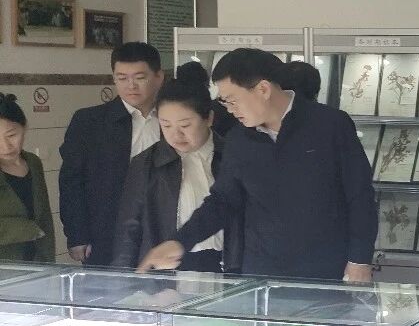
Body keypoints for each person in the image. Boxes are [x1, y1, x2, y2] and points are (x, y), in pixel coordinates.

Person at [136, 48, 376, 282]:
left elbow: (360, 195)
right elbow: (223, 200)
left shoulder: (330, 125)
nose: (229, 110)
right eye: (224, 102)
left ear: (263, 89)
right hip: (262, 272)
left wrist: (360, 259)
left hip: (327, 268)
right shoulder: (239, 139)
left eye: (232, 100)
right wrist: (180, 241)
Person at [112, 64, 242, 273]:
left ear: (209, 118)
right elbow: (129, 228)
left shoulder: (234, 156)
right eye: (166, 125)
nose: (176, 135)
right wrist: (124, 279)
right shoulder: (146, 163)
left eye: (185, 125)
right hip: (168, 268)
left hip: (229, 264)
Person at [60, 41, 164, 266]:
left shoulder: (173, 119)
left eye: (140, 77)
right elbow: (72, 182)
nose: (131, 86)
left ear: (158, 77)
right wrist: (77, 235)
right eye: (122, 78)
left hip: (162, 228)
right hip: (106, 232)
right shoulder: (89, 122)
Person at [0, 95, 55, 263]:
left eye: (11, 135)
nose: (5, 147)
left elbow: (44, 217)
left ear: (24, 128)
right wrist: (28, 229)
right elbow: (37, 228)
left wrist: (49, 262)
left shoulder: (33, 162)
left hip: (37, 263)